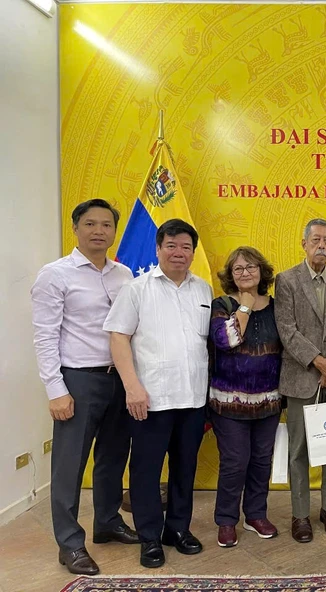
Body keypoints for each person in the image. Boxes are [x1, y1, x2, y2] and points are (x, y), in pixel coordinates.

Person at [31, 199, 138, 576]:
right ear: (75, 228)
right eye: (90, 224)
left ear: (114, 231)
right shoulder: (55, 275)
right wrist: (55, 389)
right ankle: (70, 543)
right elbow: (45, 336)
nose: (98, 231)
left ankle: (107, 522)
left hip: (119, 378)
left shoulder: (124, 274)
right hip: (78, 380)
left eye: (106, 225)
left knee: (113, 457)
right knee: (69, 465)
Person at [104, 218, 213, 568]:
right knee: (146, 471)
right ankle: (150, 537)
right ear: (158, 248)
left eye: (186, 247)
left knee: (185, 468)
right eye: (171, 245)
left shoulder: (203, 290)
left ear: (193, 252)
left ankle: (177, 529)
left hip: (193, 398)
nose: (179, 252)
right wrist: (132, 387)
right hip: (149, 400)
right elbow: (118, 337)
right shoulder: (136, 289)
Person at [274, 218, 326, 543]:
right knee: (298, 451)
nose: (321, 245)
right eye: (316, 240)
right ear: (304, 243)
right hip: (302, 378)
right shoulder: (286, 281)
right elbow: (287, 330)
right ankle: (300, 515)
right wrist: (318, 362)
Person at [209, 247, 282, 548]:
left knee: (262, 461)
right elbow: (225, 340)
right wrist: (246, 306)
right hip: (229, 402)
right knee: (235, 462)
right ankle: (226, 520)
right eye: (238, 269)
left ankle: (255, 515)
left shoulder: (277, 306)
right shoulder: (222, 304)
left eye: (251, 267)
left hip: (269, 401)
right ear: (231, 275)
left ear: (262, 271)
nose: (245, 273)